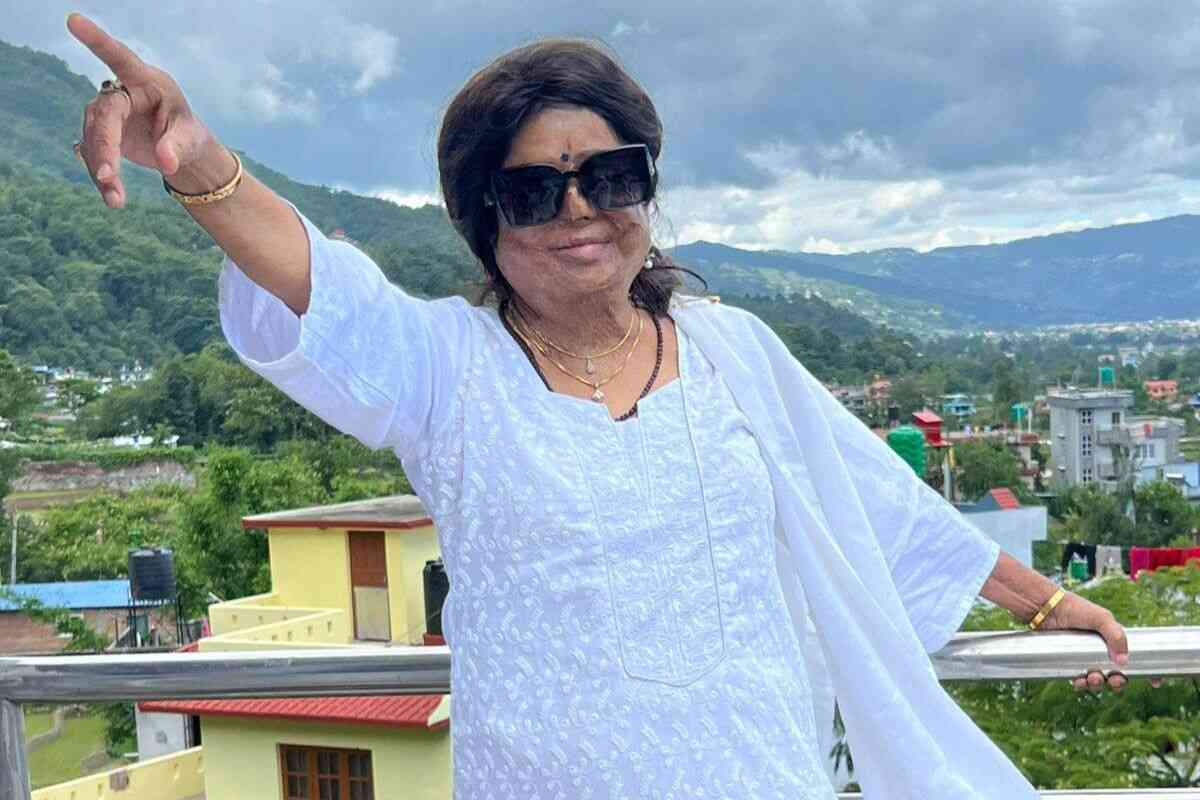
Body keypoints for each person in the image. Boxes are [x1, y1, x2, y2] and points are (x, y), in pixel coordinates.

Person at [67, 13, 1135, 798]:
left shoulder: (733, 355)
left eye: (610, 177)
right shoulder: (447, 368)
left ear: (646, 187)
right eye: (535, 190)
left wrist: (1047, 605)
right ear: (485, 217)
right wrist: (199, 160)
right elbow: (318, 286)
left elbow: (876, 503)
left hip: (758, 774)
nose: (579, 211)